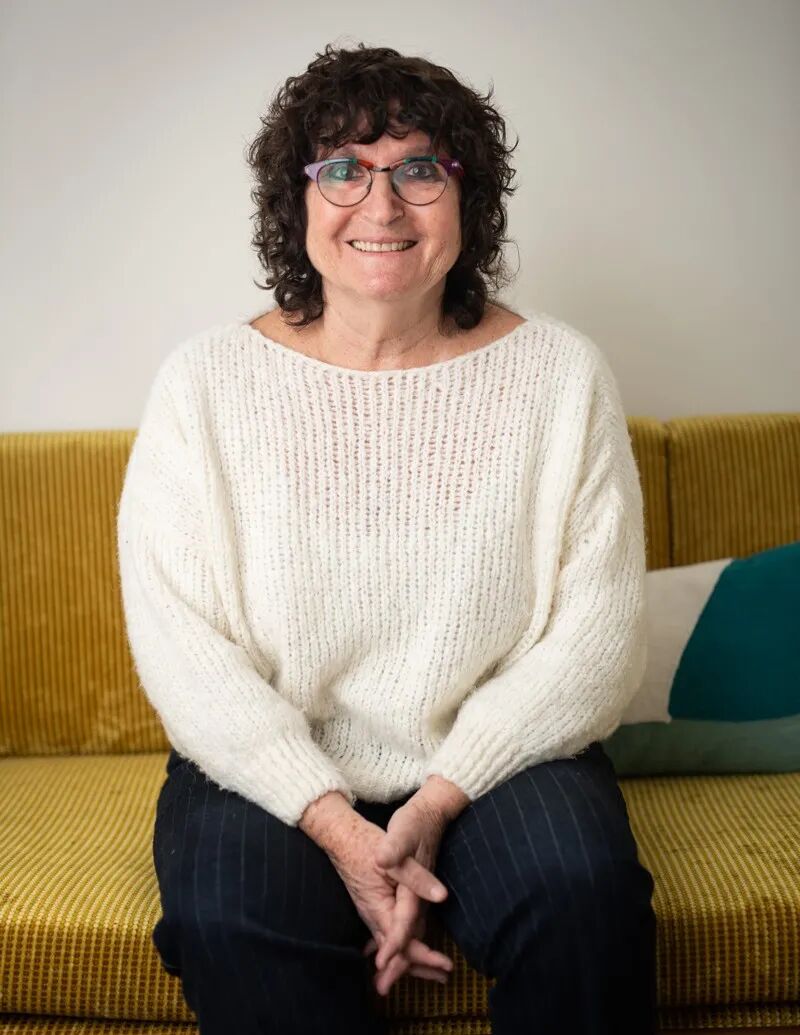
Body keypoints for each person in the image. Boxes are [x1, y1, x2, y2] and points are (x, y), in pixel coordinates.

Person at [116, 41, 658, 1035]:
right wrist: (335, 825)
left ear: (467, 198)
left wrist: (438, 799)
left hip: (498, 757)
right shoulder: (203, 385)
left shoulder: (561, 377)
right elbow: (182, 644)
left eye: (418, 169)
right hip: (269, 765)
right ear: (295, 199)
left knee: (582, 899)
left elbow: (597, 637)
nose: (381, 205)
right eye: (342, 169)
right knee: (230, 918)